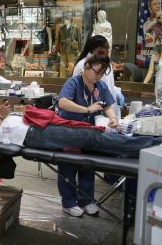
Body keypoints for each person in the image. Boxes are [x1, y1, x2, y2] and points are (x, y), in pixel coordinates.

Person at [0, 97, 161, 212]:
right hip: (33, 135)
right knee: (90, 137)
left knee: (92, 139)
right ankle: (155, 145)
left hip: (35, 126)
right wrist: (0, 116)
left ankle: (140, 147)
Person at [57, 54, 118, 217]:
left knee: (88, 167)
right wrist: (87, 109)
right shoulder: (73, 83)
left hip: (90, 133)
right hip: (70, 132)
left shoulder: (100, 86)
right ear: (87, 67)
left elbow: (107, 106)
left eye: (102, 73)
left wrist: (112, 118)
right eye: (97, 72)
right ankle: (68, 202)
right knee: (68, 169)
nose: (98, 76)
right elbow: (62, 102)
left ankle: (86, 200)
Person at [73, 35, 118, 118]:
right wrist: (87, 109)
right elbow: (66, 100)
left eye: (107, 52)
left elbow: (108, 87)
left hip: (107, 109)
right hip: (85, 114)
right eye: (101, 52)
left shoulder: (107, 64)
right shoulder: (81, 65)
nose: (99, 76)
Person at [143, 9, 162, 84]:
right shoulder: (155, 24)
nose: (157, 19)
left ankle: (160, 87)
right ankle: (144, 85)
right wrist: (153, 37)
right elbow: (146, 31)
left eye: (159, 17)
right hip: (157, 46)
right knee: (152, 68)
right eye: (157, 17)